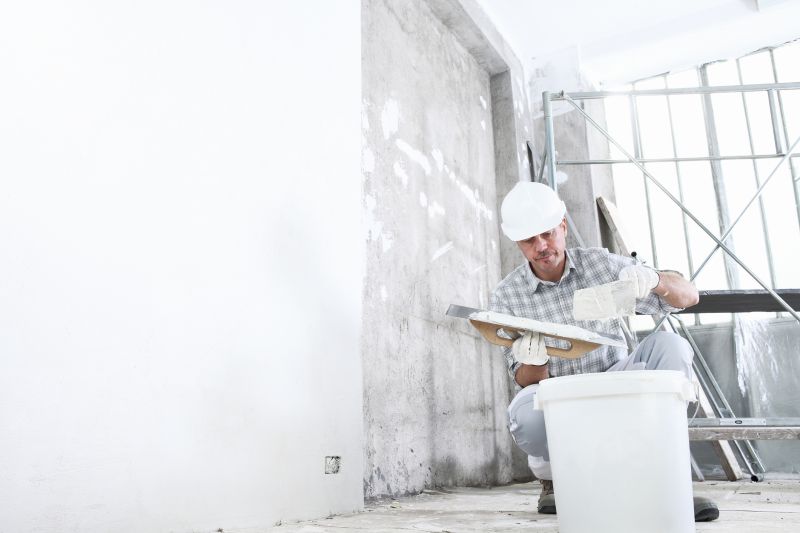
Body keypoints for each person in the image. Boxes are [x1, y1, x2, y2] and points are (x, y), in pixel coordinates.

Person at [489, 181, 719, 522]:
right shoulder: (507, 296)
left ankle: (662, 477)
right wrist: (534, 360)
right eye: (529, 240)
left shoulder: (600, 265)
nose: (541, 246)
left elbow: (689, 297)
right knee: (524, 412)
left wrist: (654, 280)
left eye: (548, 234)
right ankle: (557, 479)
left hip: (614, 387)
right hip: (560, 397)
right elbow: (524, 380)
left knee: (671, 346)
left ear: (563, 226)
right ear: (517, 243)